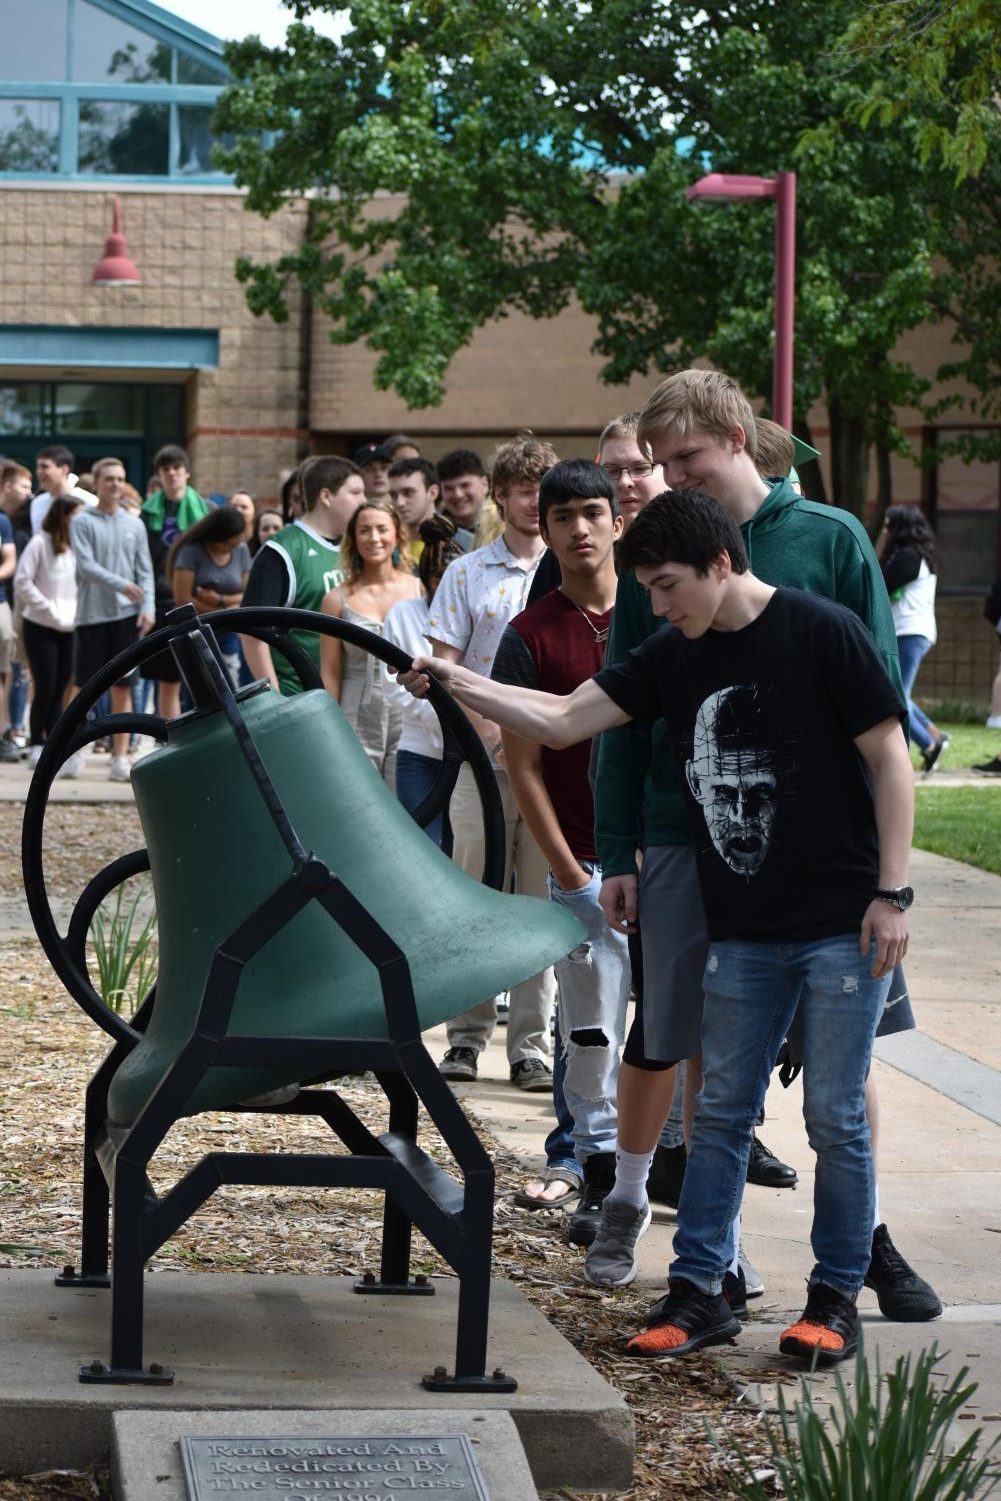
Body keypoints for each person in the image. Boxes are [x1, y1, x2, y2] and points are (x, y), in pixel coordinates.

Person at [399, 487, 916, 1365]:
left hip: (840, 921)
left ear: (721, 563)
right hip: (743, 927)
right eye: (650, 588)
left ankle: (833, 1297)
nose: (661, 605)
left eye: (670, 585)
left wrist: (892, 895)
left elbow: (889, 757)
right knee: (715, 1113)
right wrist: (454, 677)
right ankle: (699, 1290)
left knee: (834, 1117)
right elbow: (563, 718)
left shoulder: (821, 630)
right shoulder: (675, 654)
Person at [587, 370, 938, 1323]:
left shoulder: (828, 541)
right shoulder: (659, 553)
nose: (670, 478)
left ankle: (860, 1251)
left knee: (843, 1075)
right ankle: (714, 1268)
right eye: (659, 464)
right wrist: (618, 845)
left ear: (737, 437)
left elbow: (876, 721)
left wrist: (885, 886)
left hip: (829, 867)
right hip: (687, 835)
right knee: (711, 1058)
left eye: (686, 458)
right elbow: (620, 707)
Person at [491, 459, 632, 1237]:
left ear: (616, 519)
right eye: (562, 516)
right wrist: (567, 869)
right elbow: (522, 765)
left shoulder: (658, 612)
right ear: (540, 528)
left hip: (663, 859)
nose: (579, 528)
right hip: (583, 860)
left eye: (591, 511)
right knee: (589, 1037)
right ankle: (597, 1176)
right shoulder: (528, 634)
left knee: (674, 1036)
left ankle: (662, 1174)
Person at [427, 434, 559, 1091]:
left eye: (542, 487)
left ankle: (530, 1043)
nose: (533, 501)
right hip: (480, 761)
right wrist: (484, 725)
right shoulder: (468, 572)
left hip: (548, 764)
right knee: (474, 894)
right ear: (498, 495)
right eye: (521, 488)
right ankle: (466, 1035)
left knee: (539, 900)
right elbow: (443, 663)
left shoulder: (568, 572)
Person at [241, 455, 364, 696]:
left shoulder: (357, 546)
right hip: (301, 696)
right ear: (326, 496)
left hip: (352, 696)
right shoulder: (283, 549)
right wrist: (275, 696)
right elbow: (252, 630)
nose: (364, 500)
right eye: (356, 492)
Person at [320, 498, 422, 787]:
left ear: (396, 534)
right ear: (353, 538)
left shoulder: (418, 589)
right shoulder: (336, 599)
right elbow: (329, 671)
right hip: (355, 715)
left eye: (381, 529)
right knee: (358, 799)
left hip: (408, 713)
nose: (374, 538)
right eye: (365, 530)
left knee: (406, 804)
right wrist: (329, 726)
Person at [70, 456, 155, 782]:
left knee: (123, 687)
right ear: (98, 483)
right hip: (91, 617)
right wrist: (123, 585)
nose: (116, 484)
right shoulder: (81, 521)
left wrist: (146, 606)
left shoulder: (134, 524)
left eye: (120, 479)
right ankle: (74, 751)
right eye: (109, 479)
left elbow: (145, 570)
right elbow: (86, 566)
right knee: (82, 688)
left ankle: (120, 756)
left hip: (126, 618)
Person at [382, 513, 464, 846]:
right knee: (426, 845)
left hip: (467, 750)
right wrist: (434, 714)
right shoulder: (403, 614)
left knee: (463, 849)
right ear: (430, 581)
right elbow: (391, 683)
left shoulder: (468, 612)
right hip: (419, 752)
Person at [140, 445, 210, 721]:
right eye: (165, 469)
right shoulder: (147, 514)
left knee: (202, 678)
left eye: (176, 468)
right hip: (160, 600)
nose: (171, 474)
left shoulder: (205, 510)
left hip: (196, 601)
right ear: (159, 474)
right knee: (167, 679)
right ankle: (170, 735)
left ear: (187, 473)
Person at [879, 506, 949, 773]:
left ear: (900, 527)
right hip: (914, 631)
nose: (885, 529)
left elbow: (881, 583)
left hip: (909, 631)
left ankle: (929, 746)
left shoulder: (908, 557)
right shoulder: (919, 555)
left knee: (897, 693)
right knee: (900, 690)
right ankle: (934, 734)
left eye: (889, 524)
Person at [14, 497, 83, 767]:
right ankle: (36, 742)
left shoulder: (77, 546)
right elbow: (22, 581)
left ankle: (54, 743)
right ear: (63, 516)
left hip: (70, 625)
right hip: (41, 625)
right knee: (45, 685)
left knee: (62, 688)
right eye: (76, 515)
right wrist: (47, 607)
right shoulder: (40, 543)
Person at [169, 506, 252, 690]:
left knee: (231, 684)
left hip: (228, 630)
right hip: (195, 630)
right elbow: (183, 599)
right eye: (227, 545)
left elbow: (248, 593)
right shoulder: (190, 552)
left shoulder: (241, 549)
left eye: (235, 544)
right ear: (214, 536)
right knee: (198, 690)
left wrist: (219, 599)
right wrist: (225, 609)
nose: (231, 548)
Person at [29, 444, 94, 534]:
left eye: (45, 467)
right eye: (38, 467)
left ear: (64, 469)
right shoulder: (37, 503)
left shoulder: (89, 501)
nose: (39, 472)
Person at [436, 448, 490, 550]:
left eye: (465, 485)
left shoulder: (509, 527)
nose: (458, 495)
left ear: (484, 484)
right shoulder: (435, 536)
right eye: (449, 488)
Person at [388, 458, 440, 562]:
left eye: (408, 493)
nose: (400, 502)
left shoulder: (465, 544)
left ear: (432, 493)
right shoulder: (385, 546)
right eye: (393, 495)